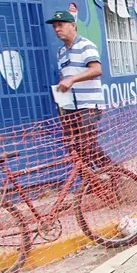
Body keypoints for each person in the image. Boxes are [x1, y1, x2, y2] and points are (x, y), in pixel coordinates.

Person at [48, 9, 112, 169]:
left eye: (61, 25)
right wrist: (61, 102)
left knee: (87, 144)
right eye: (54, 26)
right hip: (70, 107)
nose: (57, 29)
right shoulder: (61, 52)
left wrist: (72, 79)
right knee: (74, 148)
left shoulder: (86, 45)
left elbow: (96, 69)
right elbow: (64, 77)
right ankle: (89, 179)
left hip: (88, 105)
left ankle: (113, 173)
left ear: (73, 25)